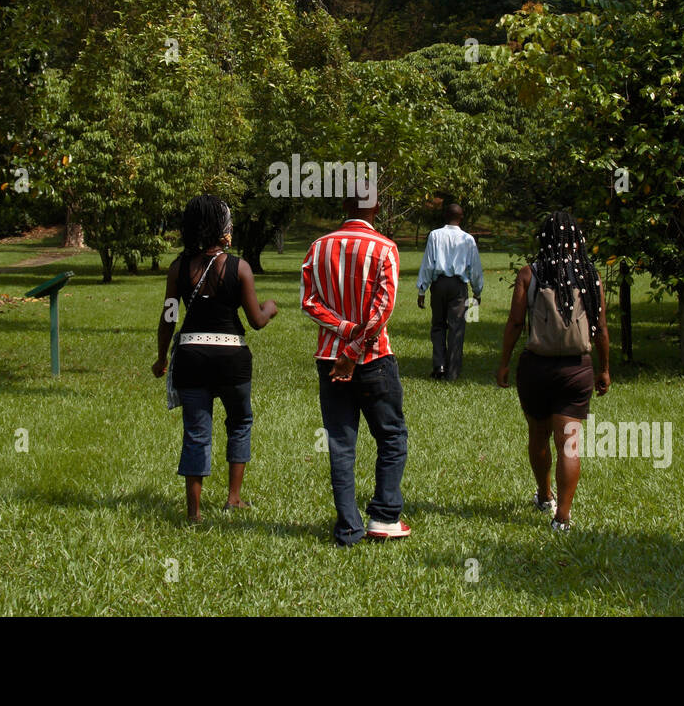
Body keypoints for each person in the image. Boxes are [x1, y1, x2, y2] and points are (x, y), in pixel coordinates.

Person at [153, 195, 277, 523]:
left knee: (196, 431)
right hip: (232, 359)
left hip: (191, 357)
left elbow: (169, 317)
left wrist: (161, 357)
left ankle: (193, 514)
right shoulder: (239, 267)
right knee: (239, 422)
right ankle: (233, 499)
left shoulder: (178, 268)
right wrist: (270, 307)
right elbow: (256, 321)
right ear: (221, 227)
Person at [300, 179, 410, 545]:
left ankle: (348, 526)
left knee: (340, 443)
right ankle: (384, 516)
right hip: (374, 359)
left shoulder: (318, 248)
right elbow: (382, 310)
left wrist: (343, 335)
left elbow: (309, 302)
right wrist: (355, 348)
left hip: (329, 359)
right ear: (376, 208)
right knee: (391, 436)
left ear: (345, 205)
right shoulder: (386, 249)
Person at [495, 211, 610, 531]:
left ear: (543, 239)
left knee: (538, 435)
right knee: (569, 443)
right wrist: (605, 370)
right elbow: (600, 329)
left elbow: (516, 322)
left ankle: (545, 495)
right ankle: (563, 516)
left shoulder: (530, 274)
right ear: (577, 240)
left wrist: (504, 362)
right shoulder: (591, 275)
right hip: (577, 369)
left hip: (537, 369)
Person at [416, 203, 484, 381]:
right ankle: (453, 371)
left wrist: (422, 289)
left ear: (445, 216)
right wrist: (477, 291)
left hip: (438, 284)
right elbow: (475, 269)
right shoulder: (468, 239)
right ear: (461, 218)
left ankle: (439, 366)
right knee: (457, 327)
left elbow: (428, 263)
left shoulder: (435, 235)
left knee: (438, 325)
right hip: (458, 286)